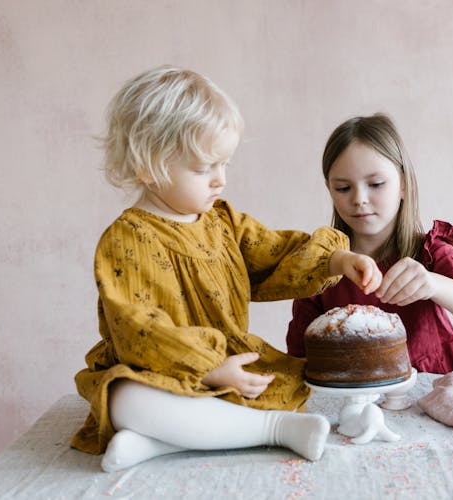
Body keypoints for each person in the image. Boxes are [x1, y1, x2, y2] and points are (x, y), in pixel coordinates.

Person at [71, 66, 382, 472]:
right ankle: (273, 429)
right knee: (123, 397)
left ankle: (156, 444)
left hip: (231, 367)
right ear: (149, 167)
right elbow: (137, 327)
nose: (220, 179)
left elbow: (274, 252)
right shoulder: (126, 240)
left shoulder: (222, 222)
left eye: (224, 164)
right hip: (162, 371)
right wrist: (208, 368)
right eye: (203, 168)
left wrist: (338, 259)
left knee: (255, 388)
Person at [286, 114, 453, 375]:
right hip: (356, 402)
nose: (360, 199)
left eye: (376, 184)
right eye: (343, 188)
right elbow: (300, 356)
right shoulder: (320, 265)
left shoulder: (429, 252)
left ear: (403, 185)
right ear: (329, 189)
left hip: (435, 394)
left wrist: (432, 283)